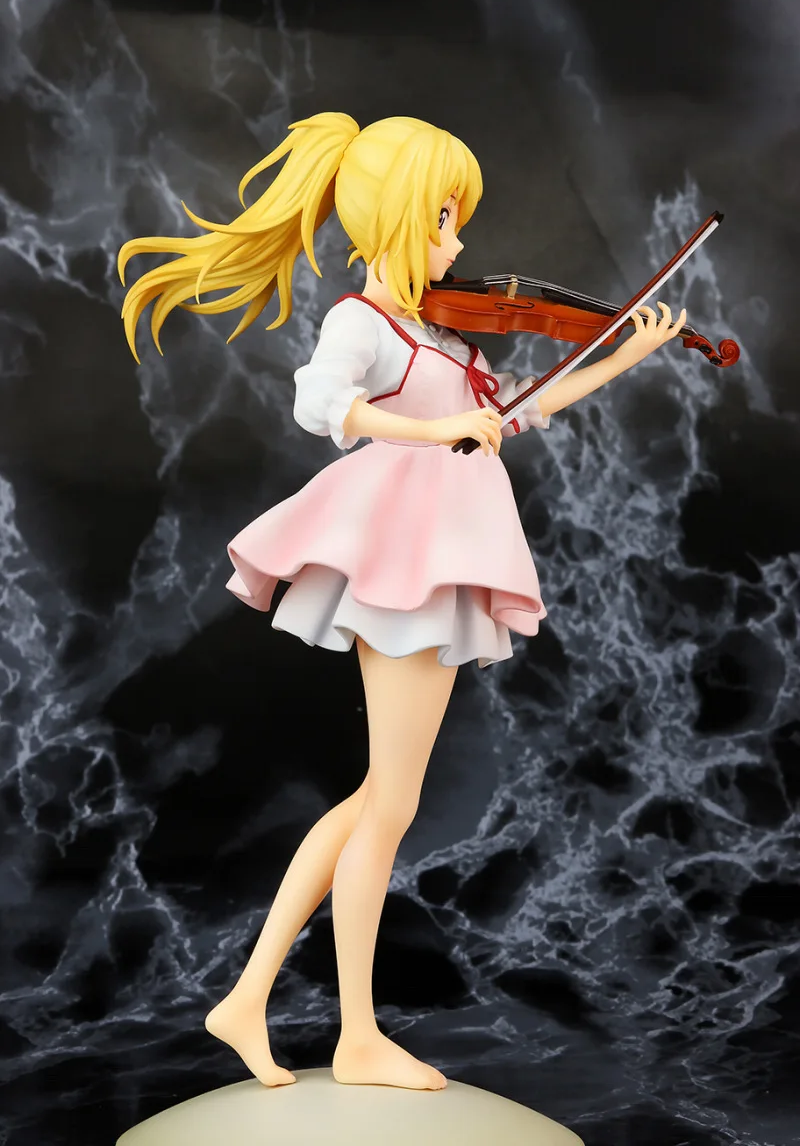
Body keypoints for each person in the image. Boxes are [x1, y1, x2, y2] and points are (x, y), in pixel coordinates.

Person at [118, 112, 686, 1092]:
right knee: (389, 801)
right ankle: (352, 1035)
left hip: (434, 554)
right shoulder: (362, 323)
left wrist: (622, 356)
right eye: (441, 220)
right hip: (400, 555)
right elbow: (321, 403)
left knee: (380, 798)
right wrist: (434, 430)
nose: (456, 245)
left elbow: (518, 408)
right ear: (391, 215)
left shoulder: (442, 334)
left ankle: (249, 999)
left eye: (458, 222)